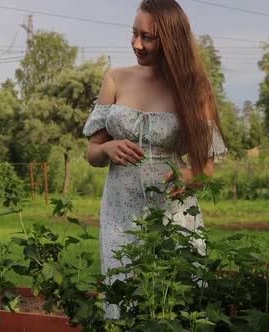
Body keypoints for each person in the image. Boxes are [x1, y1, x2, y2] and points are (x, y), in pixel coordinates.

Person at [82, 0, 227, 319]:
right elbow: (92, 153)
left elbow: (206, 171)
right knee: (123, 303)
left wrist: (185, 178)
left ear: (172, 39)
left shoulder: (194, 89)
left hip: (173, 215)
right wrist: (107, 149)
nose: (137, 44)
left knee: (174, 304)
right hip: (120, 212)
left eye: (148, 37)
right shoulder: (115, 79)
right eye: (134, 34)